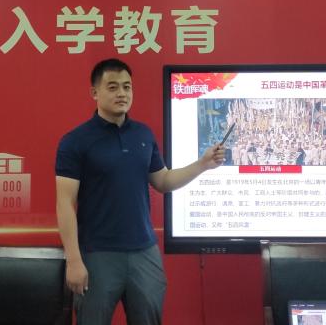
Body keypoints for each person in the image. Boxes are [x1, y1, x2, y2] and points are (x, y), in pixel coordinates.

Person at [55, 58, 225, 325]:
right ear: (95, 92)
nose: (122, 93)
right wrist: (74, 260)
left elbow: (163, 181)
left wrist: (202, 164)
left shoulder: (143, 135)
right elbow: (65, 203)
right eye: (112, 87)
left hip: (144, 251)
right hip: (97, 253)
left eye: (127, 87)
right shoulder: (75, 141)